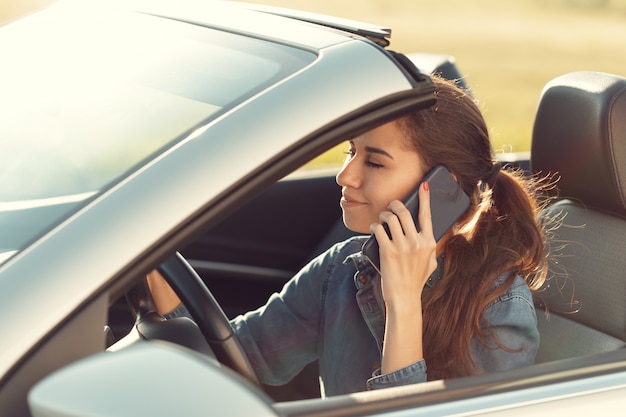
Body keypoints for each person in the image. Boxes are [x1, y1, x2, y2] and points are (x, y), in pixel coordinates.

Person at [146, 75, 552, 396]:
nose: (345, 175)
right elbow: (239, 357)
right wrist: (147, 240)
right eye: (350, 151)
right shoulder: (341, 271)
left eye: (374, 162)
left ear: (443, 186)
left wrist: (404, 305)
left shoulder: (499, 310)